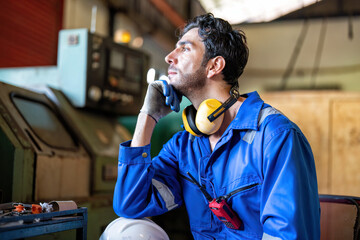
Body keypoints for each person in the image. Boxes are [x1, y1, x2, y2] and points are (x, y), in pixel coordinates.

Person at [113, 13, 320, 239]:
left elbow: (286, 235)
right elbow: (130, 205)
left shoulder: (275, 137)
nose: (169, 57)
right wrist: (147, 116)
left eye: (185, 49)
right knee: (124, 231)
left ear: (214, 66)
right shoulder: (184, 146)